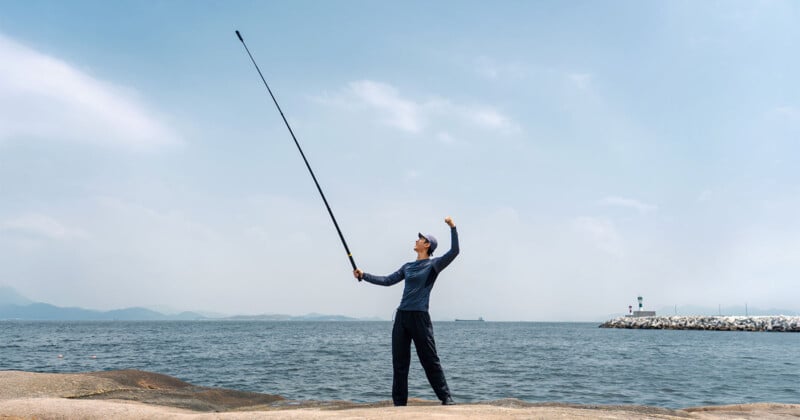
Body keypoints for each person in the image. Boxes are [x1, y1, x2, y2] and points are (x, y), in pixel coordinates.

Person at [353, 216, 459, 406]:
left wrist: (453, 227)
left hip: (420, 317)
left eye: (420, 238)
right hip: (402, 317)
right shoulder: (408, 266)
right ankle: (399, 404)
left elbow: (454, 251)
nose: (416, 240)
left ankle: (446, 398)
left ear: (427, 245)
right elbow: (387, 281)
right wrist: (364, 275)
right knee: (400, 364)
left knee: (430, 360)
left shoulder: (433, 265)